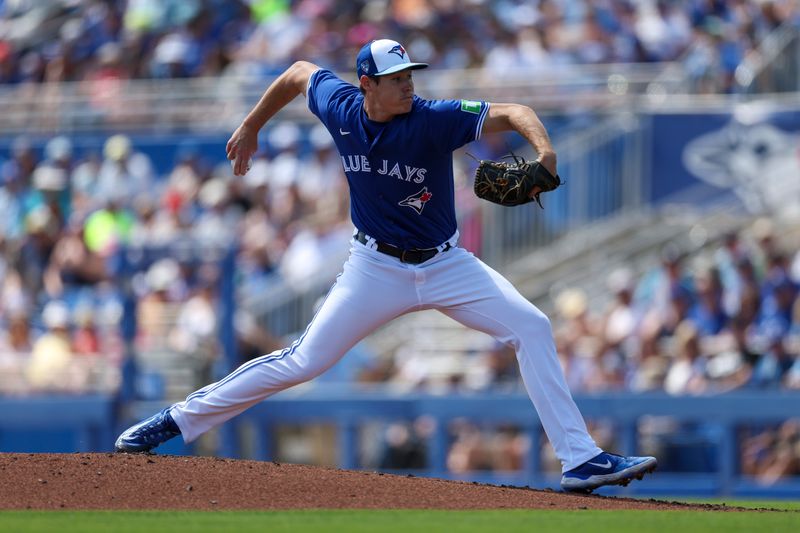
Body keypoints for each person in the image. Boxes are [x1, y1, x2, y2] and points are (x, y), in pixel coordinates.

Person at [115, 39, 656, 493]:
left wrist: (545, 155)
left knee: (533, 327)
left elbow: (516, 113)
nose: (408, 84)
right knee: (302, 362)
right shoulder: (342, 106)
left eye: (410, 74)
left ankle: (580, 459)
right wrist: (253, 124)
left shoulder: (433, 120)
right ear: (367, 84)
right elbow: (299, 72)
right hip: (374, 266)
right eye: (395, 77)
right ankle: (173, 421)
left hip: (448, 265)